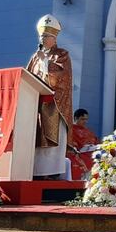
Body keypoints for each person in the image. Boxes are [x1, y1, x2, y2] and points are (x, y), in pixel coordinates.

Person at [26, 14, 73, 179]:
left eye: (46, 36)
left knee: (53, 140)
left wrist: (45, 62)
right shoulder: (34, 57)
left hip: (54, 105)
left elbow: (62, 78)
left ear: (54, 38)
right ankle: (35, 172)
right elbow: (27, 77)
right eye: (41, 36)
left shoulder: (61, 54)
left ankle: (51, 172)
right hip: (37, 104)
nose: (42, 38)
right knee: (36, 138)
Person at [68, 108, 100, 180]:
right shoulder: (71, 129)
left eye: (86, 119)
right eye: (82, 119)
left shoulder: (88, 130)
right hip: (79, 153)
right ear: (76, 118)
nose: (85, 121)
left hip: (91, 153)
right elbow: (71, 143)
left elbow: (96, 141)